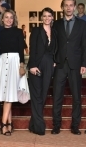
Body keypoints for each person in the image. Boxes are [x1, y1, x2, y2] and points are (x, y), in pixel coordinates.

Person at [51, 0, 86, 135]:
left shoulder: (82, 25)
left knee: (77, 97)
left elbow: (85, 46)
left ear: (75, 7)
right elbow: (53, 44)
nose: (68, 8)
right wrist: (53, 59)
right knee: (57, 96)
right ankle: (56, 125)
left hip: (76, 64)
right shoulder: (56, 24)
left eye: (71, 5)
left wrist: (84, 64)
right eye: (66, 5)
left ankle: (75, 126)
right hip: (60, 64)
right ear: (62, 7)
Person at [0, 9, 25, 136]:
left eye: (11, 17)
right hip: (2, 61)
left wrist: (22, 65)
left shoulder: (18, 32)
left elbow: (21, 50)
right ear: (2, 19)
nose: (8, 19)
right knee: (7, 94)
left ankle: (3, 124)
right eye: (6, 17)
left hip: (14, 62)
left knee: (10, 94)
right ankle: (9, 124)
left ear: (14, 19)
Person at [27, 7, 57, 135]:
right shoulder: (36, 30)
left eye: (49, 16)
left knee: (43, 95)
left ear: (52, 18)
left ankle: (33, 124)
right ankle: (39, 126)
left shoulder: (55, 32)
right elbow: (32, 48)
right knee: (36, 96)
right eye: (44, 16)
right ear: (41, 18)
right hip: (37, 64)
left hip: (49, 65)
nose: (46, 18)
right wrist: (32, 65)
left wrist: (54, 61)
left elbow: (57, 48)